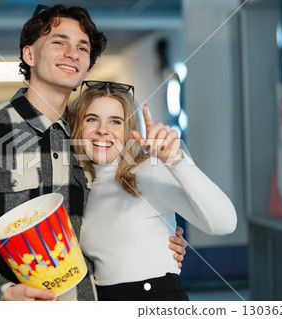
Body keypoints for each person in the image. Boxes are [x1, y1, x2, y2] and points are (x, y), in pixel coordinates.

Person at [0, 5, 187, 301]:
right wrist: (2, 292)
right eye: (59, 42)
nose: (72, 53)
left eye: (82, 47)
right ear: (30, 55)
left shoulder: (94, 138)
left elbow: (125, 207)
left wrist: (161, 240)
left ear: (87, 67)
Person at [69, 81, 237, 301]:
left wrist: (176, 161)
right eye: (92, 119)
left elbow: (224, 223)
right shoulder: (82, 186)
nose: (103, 129)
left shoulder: (149, 171)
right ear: (78, 127)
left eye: (115, 121)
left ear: (129, 131)